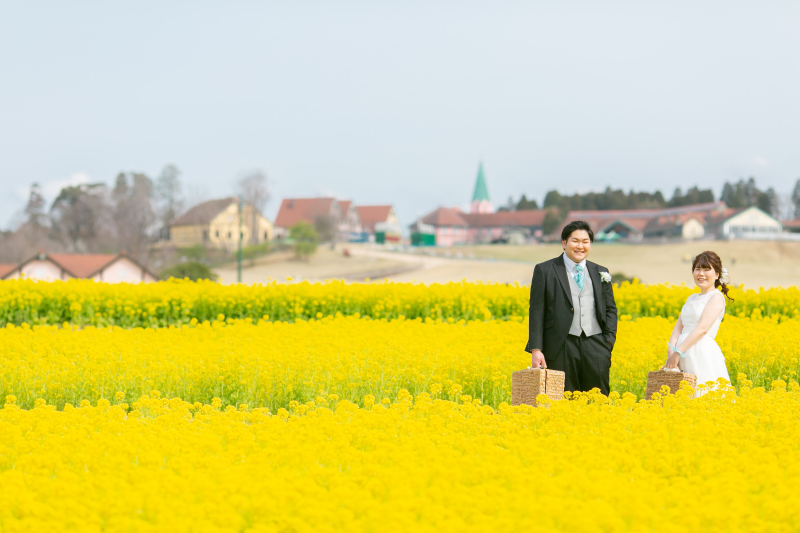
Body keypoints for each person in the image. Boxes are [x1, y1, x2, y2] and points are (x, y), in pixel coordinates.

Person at [525, 221, 618, 395]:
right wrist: (536, 349)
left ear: (590, 244)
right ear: (564, 243)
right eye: (575, 241)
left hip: (596, 345)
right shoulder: (545, 270)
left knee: (598, 399)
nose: (580, 246)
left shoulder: (601, 271)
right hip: (560, 346)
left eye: (585, 241)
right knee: (562, 398)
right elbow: (536, 311)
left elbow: (610, 310)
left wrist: (608, 343)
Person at [664, 251, 732, 395]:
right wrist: (671, 351)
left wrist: (678, 352)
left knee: (702, 393)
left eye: (706, 269)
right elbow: (678, 328)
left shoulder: (716, 297)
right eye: (697, 269)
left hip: (701, 352)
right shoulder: (691, 298)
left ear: (717, 274)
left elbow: (702, 329)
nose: (701, 274)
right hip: (681, 353)